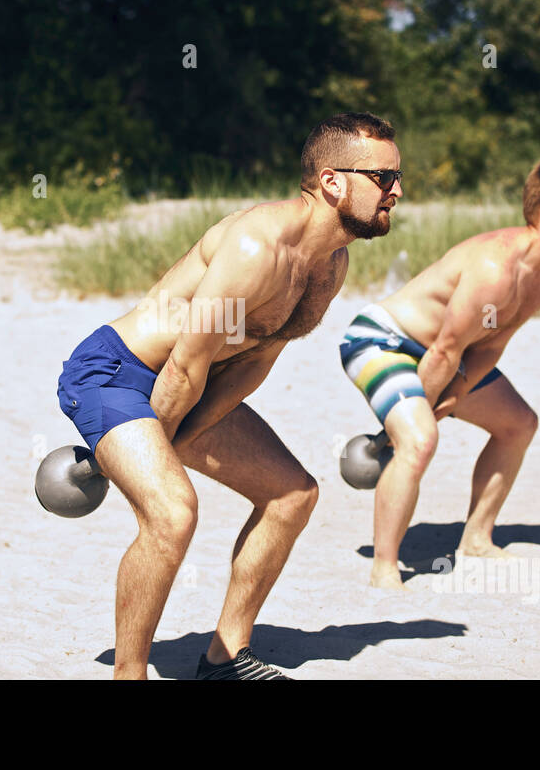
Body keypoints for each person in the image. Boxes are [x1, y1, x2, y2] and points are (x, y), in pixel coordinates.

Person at [56, 113, 402, 679]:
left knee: (292, 496)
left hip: (197, 386)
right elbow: (184, 367)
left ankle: (225, 660)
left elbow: (256, 360)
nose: (397, 191)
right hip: (118, 374)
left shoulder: (329, 264)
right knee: (173, 513)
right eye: (384, 178)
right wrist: (156, 453)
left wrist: (184, 435)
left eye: (397, 176)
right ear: (333, 181)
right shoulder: (254, 247)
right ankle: (129, 674)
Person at [339, 154, 540, 590]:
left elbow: (490, 348)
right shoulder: (494, 269)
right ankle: (384, 568)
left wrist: (452, 401)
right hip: (380, 341)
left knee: (519, 424)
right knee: (420, 440)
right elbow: (445, 351)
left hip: (447, 353)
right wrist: (412, 422)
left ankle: (477, 538)